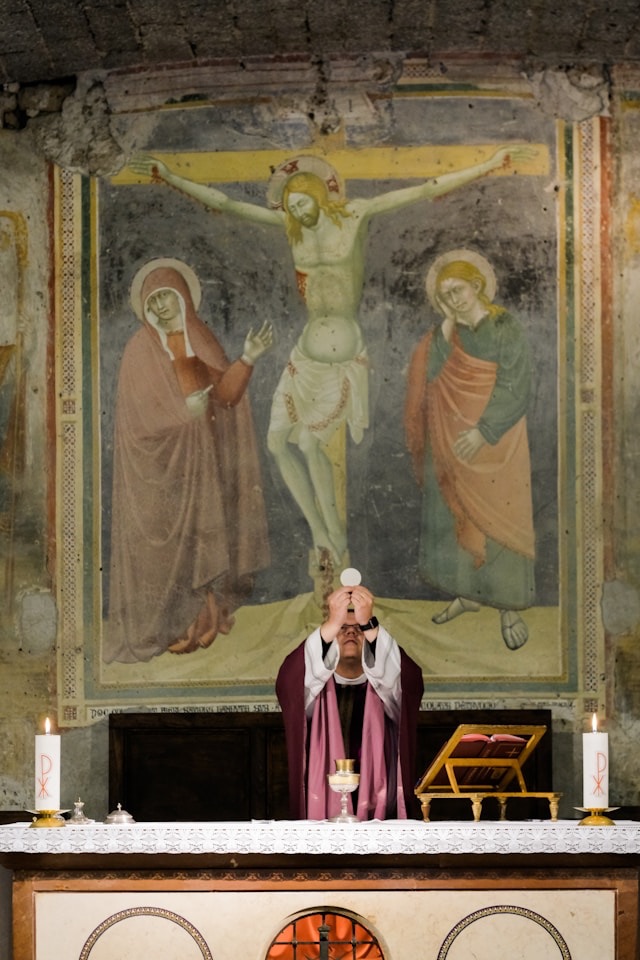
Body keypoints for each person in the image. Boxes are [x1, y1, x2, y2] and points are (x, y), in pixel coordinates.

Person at [129, 146, 536, 569]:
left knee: (308, 442)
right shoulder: (291, 229)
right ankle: (320, 532)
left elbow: (423, 189)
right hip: (305, 355)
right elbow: (228, 204)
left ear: (318, 195)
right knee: (276, 445)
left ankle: (337, 537)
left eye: (302, 202)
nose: (298, 212)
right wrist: (170, 176)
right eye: (291, 207)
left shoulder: (356, 214)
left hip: (341, 356)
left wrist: (489, 164)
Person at [103, 258, 273, 663]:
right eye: (153, 302)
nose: (161, 307)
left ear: (183, 299)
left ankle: (198, 624)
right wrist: (184, 415)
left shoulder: (200, 339)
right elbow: (136, 422)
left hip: (202, 467)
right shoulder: (138, 350)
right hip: (159, 473)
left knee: (202, 542)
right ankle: (162, 626)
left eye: (167, 298)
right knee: (164, 555)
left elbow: (225, 398)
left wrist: (247, 360)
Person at [404, 250, 535, 650]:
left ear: (477, 285)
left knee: (500, 517)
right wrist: (445, 329)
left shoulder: (504, 326)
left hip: (497, 443)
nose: (453, 300)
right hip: (451, 440)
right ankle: (467, 593)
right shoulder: (446, 334)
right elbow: (430, 379)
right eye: (444, 296)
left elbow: (517, 384)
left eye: (457, 290)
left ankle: (508, 607)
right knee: (455, 512)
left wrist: (485, 430)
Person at [275, 583, 424, 820]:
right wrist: (331, 623)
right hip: (322, 801)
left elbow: (409, 681)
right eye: (342, 628)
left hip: (379, 802)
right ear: (329, 640)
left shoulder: (385, 686)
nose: (351, 633)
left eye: (359, 629)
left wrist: (370, 623)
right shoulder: (314, 688)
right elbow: (288, 680)